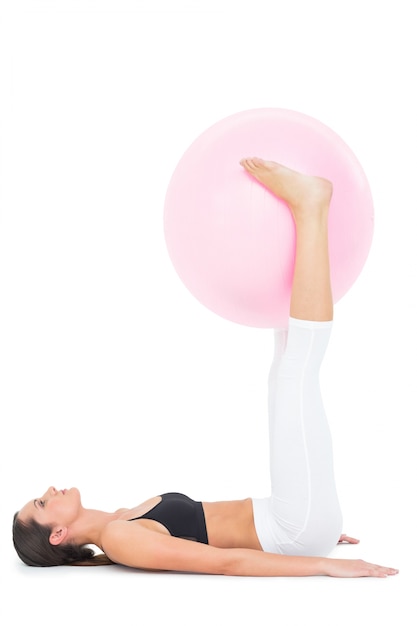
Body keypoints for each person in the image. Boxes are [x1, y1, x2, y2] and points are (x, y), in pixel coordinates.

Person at [12, 158, 398, 578]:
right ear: (58, 534)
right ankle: (310, 207)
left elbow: (229, 536)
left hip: (293, 521)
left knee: (285, 364)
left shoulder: (121, 519)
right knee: (296, 371)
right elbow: (225, 562)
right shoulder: (122, 539)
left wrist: (317, 529)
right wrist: (322, 562)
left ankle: (306, 213)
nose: (49, 491)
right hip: (293, 528)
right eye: (43, 503)